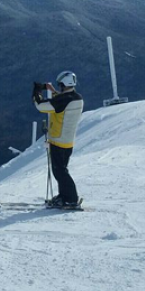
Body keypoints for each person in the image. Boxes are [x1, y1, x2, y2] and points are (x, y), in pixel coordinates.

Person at [33, 70, 84, 208]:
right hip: (68, 141)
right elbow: (61, 103)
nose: (59, 86)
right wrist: (53, 91)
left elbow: (41, 106)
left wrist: (37, 91)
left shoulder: (63, 100)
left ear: (64, 83)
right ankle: (64, 196)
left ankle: (72, 198)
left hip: (58, 140)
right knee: (62, 169)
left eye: (60, 84)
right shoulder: (77, 97)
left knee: (60, 171)